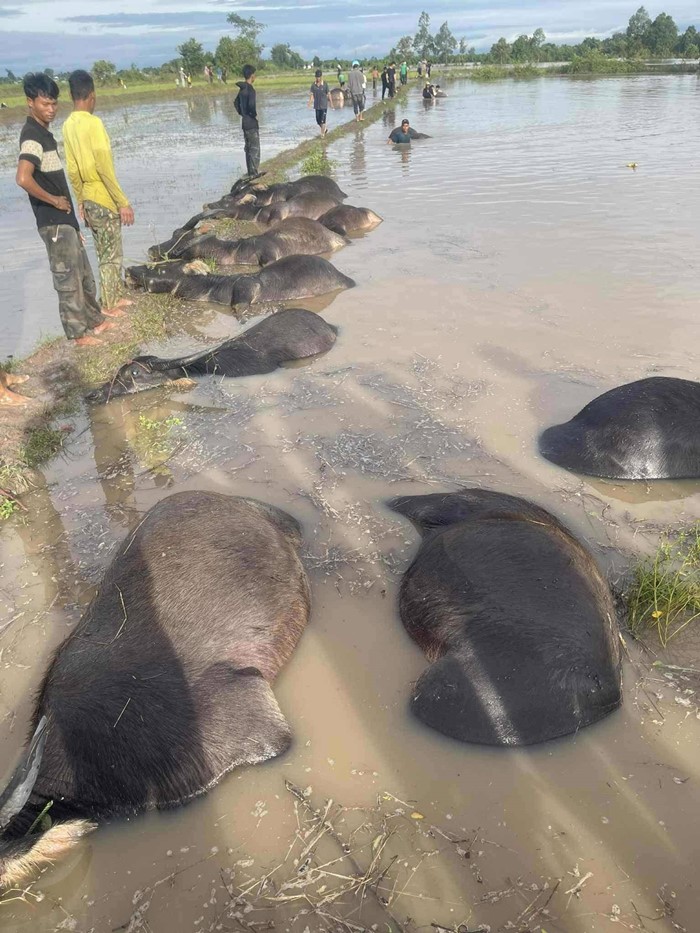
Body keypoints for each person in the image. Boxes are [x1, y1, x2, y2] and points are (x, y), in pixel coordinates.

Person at [15, 73, 113, 349]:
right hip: (52, 221)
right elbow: (23, 178)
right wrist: (54, 201)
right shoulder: (32, 136)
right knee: (67, 279)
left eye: (54, 104)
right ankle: (78, 334)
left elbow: (57, 181)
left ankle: (94, 320)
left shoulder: (45, 134)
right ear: (30, 102)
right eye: (45, 104)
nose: (51, 110)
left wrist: (73, 222)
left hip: (64, 221)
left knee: (83, 273)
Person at [63, 69, 135, 318]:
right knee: (111, 253)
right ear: (91, 95)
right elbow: (104, 167)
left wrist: (80, 200)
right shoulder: (94, 123)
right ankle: (110, 304)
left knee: (103, 250)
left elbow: (72, 169)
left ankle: (113, 295)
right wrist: (122, 202)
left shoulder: (67, 126)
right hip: (103, 197)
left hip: (88, 197)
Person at [235, 64, 260, 179]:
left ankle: (250, 171)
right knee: (254, 148)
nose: (255, 77)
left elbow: (235, 103)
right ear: (252, 75)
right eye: (254, 74)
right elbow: (251, 106)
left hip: (244, 122)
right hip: (251, 122)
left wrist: (242, 113)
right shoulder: (251, 90)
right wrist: (253, 114)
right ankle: (254, 173)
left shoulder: (241, 90)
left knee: (248, 148)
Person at [308, 69, 333, 136]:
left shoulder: (325, 84)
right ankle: (324, 129)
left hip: (324, 105)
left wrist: (331, 103)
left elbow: (329, 94)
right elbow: (312, 95)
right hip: (317, 106)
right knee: (318, 121)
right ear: (315, 77)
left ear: (321, 77)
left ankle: (322, 134)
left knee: (323, 120)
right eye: (317, 77)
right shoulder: (313, 85)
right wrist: (309, 103)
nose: (318, 78)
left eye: (319, 77)